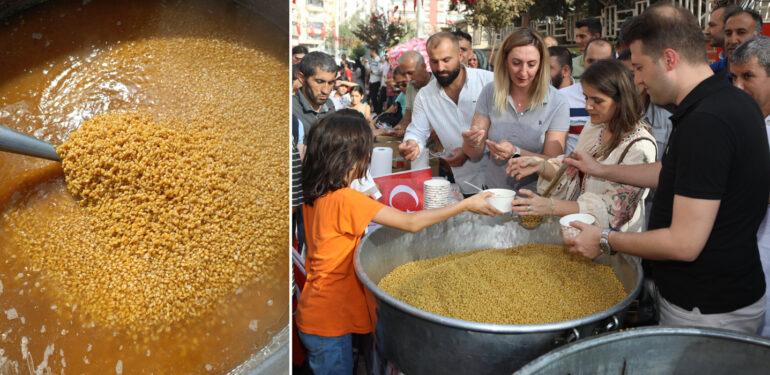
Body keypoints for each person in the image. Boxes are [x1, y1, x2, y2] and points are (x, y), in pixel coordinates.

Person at [564, 3, 770, 335]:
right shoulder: (725, 101)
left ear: (670, 59)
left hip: (706, 308)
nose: (638, 80)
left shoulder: (708, 122)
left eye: (641, 67)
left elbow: (684, 243)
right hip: (721, 295)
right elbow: (675, 173)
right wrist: (602, 170)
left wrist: (604, 239)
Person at [296, 111, 500, 375]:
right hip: (329, 322)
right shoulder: (346, 199)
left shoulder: (318, 192)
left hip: (316, 310)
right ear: (352, 157)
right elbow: (411, 223)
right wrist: (465, 204)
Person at [506, 59, 657, 232]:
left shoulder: (639, 147)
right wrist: (541, 166)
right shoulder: (593, 129)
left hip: (615, 246)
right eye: (586, 97)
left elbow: (613, 211)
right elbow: (570, 173)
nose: (587, 106)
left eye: (597, 101)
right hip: (579, 236)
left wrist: (551, 207)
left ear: (621, 100)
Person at [462, 27, 569, 192]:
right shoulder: (490, 92)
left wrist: (516, 152)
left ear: (541, 64)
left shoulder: (557, 102)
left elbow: (553, 165)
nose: (523, 72)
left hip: (536, 199)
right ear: (505, 60)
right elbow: (474, 153)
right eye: (516, 63)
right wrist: (470, 143)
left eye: (531, 64)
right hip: (494, 193)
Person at [398, 32, 494, 196]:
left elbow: (507, 130)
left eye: (446, 60)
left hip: (501, 183)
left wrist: (467, 150)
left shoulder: (489, 82)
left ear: (460, 55)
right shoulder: (425, 95)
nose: (440, 68)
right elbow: (417, 131)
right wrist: (411, 144)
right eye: (434, 62)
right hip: (465, 185)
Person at [730, 35, 770, 337]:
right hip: (743, 250)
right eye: (734, 77)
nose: (738, 86)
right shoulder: (737, 119)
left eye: (748, 76)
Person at [560, 39, 615, 153]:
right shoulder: (562, 97)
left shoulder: (623, 98)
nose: (595, 67)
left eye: (602, 62)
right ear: (583, 61)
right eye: (591, 61)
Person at [292, 51, 338, 137]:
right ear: (302, 78)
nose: (326, 91)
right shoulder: (291, 110)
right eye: (319, 82)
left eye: (331, 83)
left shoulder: (329, 105)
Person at [712, 7, 763, 84]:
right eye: (728, 33)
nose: (733, 40)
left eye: (741, 32)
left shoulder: (766, 73)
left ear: (758, 37)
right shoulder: (710, 74)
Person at [394, 50, 433, 133]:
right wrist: (402, 127)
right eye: (404, 74)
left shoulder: (438, 84)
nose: (408, 79)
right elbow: (408, 117)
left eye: (410, 73)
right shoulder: (411, 86)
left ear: (423, 67)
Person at [367, 49, 384, 114]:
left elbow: (380, 72)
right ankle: (375, 111)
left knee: (375, 97)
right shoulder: (372, 60)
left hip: (377, 81)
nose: (370, 53)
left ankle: (378, 112)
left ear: (374, 51)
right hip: (371, 81)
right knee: (372, 97)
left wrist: (372, 71)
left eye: (370, 52)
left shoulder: (379, 60)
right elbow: (369, 70)